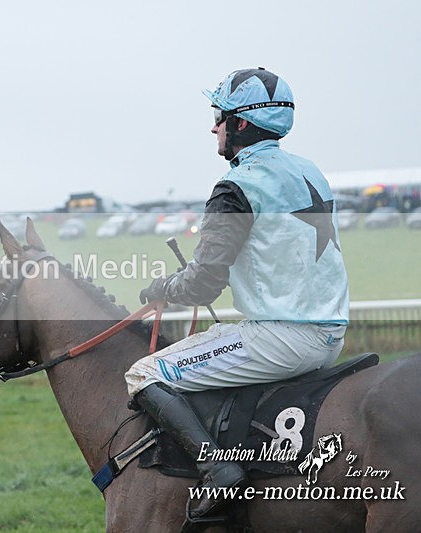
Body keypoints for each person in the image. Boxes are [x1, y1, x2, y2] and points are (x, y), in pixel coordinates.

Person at [126, 68, 349, 522]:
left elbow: (205, 283)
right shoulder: (309, 170)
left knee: (145, 373)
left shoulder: (236, 187)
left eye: (219, 115)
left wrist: (162, 289)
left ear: (241, 124)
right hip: (332, 335)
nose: (213, 126)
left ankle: (219, 468)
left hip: (282, 338)